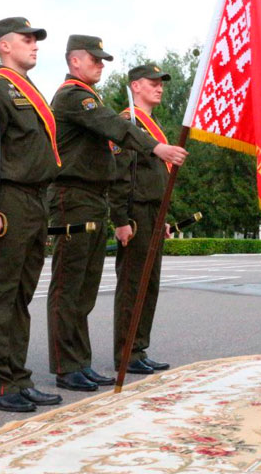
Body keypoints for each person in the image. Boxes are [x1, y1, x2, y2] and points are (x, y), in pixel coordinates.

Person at [47, 35, 187, 392]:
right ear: (74, 61)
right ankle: (71, 364)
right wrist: (123, 217)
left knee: (86, 288)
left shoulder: (90, 99)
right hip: (75, 196)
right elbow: (120, 144)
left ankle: (81, 362)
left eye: (102, 60)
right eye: (94, 59)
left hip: (94, 197)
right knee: (73, 286)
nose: (101, 64)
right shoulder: (74, 97)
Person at [0, 17, 63, 413]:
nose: (34, 45)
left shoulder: (28, 91)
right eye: (27, 40)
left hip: (36, 200)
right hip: (8, 199)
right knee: (1, 293)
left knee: (22, 295)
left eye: (36, 40)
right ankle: (0, 384)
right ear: (4, 46)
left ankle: (18, 376)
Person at [109, 63, 174, 375]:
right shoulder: (127, 123)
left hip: (152, 213)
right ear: (135, 86)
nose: (158, 87)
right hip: (135, 214)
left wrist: (163, 216)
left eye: (161, 83)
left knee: (150, 285)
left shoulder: (151, 126)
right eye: (152, 82)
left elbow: (156, 177)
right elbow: (120, 174)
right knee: (133, 284)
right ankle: (126, 352)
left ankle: (139, 348)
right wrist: (121, 218)